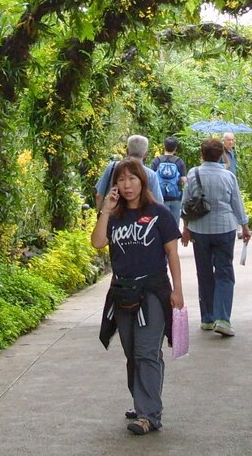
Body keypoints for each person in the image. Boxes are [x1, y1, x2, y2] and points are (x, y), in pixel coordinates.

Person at [92, 158, 183, 436]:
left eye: (132, 179)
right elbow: (97, 243)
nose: (127, 185)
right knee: (133, 354)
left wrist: (177, 290)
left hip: (153, 291)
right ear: (115, 185)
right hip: (122, 292)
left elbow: (172, 253)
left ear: (142, 181)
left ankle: (148, 415)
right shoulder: (115, 215)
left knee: (146, 352)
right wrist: (105, 211)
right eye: (121, 180)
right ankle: (142, 402)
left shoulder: (159, 213)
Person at [181, 138, 251, 337]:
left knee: (204, 273)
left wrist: (186, 228)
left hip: (199, 230)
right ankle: (223, 318)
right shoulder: (228, 176)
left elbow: (186, 203)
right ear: (221, 155)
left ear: (202, 155)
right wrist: (244, 227)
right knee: (224, 272)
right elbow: (236, 203)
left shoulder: (193, 174)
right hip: (225, 228)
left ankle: (207, 318)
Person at [95, 135, 163, 210]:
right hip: (138, 218)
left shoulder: (112, 167)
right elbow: (158, 202)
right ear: (145, 154)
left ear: (127, 151)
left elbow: (99, 195)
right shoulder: (151, 175)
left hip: (112, 216)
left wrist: (102, 215)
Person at [150, 136, 187, 223]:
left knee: (160, 223)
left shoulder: (156, 161)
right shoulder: (179, 161)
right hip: (175, 198)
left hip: (160, 198)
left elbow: (151, 179)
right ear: (175, 148)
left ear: (164, 146)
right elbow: (183, 180)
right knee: (174, 224)